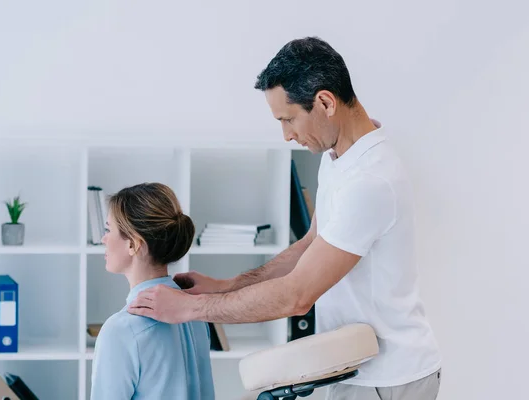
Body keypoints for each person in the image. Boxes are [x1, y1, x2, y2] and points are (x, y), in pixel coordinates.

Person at [128, 37, 442, 400]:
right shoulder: (339, 158)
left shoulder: (370, 181)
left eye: (289, 119)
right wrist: (226, 285)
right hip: (355, 364)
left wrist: (191, 309)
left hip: (390, 378)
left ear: (325, 102)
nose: (287, 135)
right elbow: (310, 246)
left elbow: (297, 296)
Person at [90, 182, 215, 400]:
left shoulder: (121, 330)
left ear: (133, 244)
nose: (103, 239)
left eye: (109, 230)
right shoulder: (195, 316)